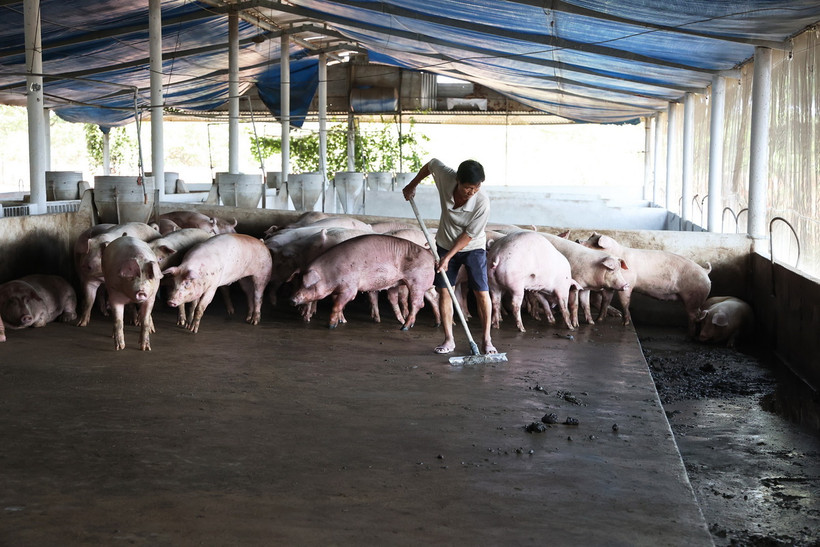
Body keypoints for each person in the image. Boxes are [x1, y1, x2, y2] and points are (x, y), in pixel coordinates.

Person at [402, 158, 497, 355]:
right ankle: (449, 339)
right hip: (444, 243)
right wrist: (412, 184)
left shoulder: (482, 203)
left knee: (481, 291)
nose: (472, 192)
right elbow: (431, 164)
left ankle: (487, 340)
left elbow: (468, 235)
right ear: (458, 181)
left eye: (476, 187)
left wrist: (447, 258)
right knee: (445, 290)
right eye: (468, 187)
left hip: (473, 247)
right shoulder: (446, 177)